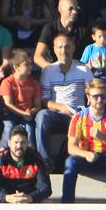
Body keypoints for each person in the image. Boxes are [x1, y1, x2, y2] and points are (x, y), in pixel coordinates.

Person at [34, 32, 92, 167]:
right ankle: (45, 161)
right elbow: (44, 100)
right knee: (42, 115)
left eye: (67, 47)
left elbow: (92, 93)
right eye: (59, 47)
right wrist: (60, 107)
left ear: (73, 48)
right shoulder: (48, 71)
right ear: (54, 49)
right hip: (57, 114)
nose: (63, 50)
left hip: (77, 115)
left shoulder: (83, 69)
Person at [61, 84, 106, 203]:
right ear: (88, 97)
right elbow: (71, 147)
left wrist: (103, 137)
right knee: (70, 161)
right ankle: (66, 204)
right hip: (86, 157)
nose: (99, 100)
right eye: (95, 96)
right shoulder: (79, 117)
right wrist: (86, 154)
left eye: (103, 96)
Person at [0, 125, 49, 204]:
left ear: (27, 143)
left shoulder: (36, 159)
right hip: (7, 198)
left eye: (23, 142)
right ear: (9, 143)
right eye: (16, 142)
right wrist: (6, 197)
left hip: (29, 198)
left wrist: (31, 197)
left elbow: (46, 187)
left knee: (47, 201)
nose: (19, 146)